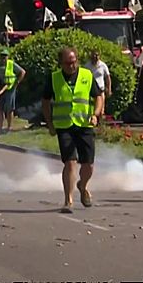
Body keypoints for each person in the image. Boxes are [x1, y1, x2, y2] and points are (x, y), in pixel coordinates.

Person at [42, 47, 103, 214]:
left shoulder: (87, 75)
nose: (72, 65)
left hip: (84, 125)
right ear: (61, 63)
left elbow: (98, 96)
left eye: (74, 61)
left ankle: (82, 186)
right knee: (69, 163)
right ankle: (68, 200)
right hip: (64, 126)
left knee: (88, 165)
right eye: (68, 63)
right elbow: (45, 101)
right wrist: (50, 123)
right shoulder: (54, 78)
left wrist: (96, 114)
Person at [0, 49, 26, 133]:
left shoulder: (11, 64)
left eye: (5, 56)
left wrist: (17, 82)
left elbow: (22, 72)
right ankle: (0, 127)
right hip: (1, 88)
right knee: (0, 108)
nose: (3, 58)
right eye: (2, 56)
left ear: (7, 56)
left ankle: (9, 127)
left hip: (10, 88)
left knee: (9, 108)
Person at [84, 49, 112, 116]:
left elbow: (108, 78)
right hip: (91, 91)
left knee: (101, 110)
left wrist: (109, 89)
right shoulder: (87, 66)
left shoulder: (103, 65)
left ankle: (101, 124)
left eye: (97, 55)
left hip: (100, 90)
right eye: (94, 55)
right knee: (92, 109)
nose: (95, 57)